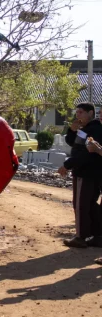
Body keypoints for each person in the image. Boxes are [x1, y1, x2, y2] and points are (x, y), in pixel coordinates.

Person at [58, 102, 102, 247]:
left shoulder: (94, 129)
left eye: (81, 112)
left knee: (81, 205)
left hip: (87, 172)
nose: (78, 115)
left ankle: (81, 237)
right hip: (86, 171)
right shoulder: (85, 129)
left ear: (90, 113)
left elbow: (85, 154)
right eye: (76, 112)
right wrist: (71, 130)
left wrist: (67, 164)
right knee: (89, 204)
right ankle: (97, 235)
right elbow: (73, 143)